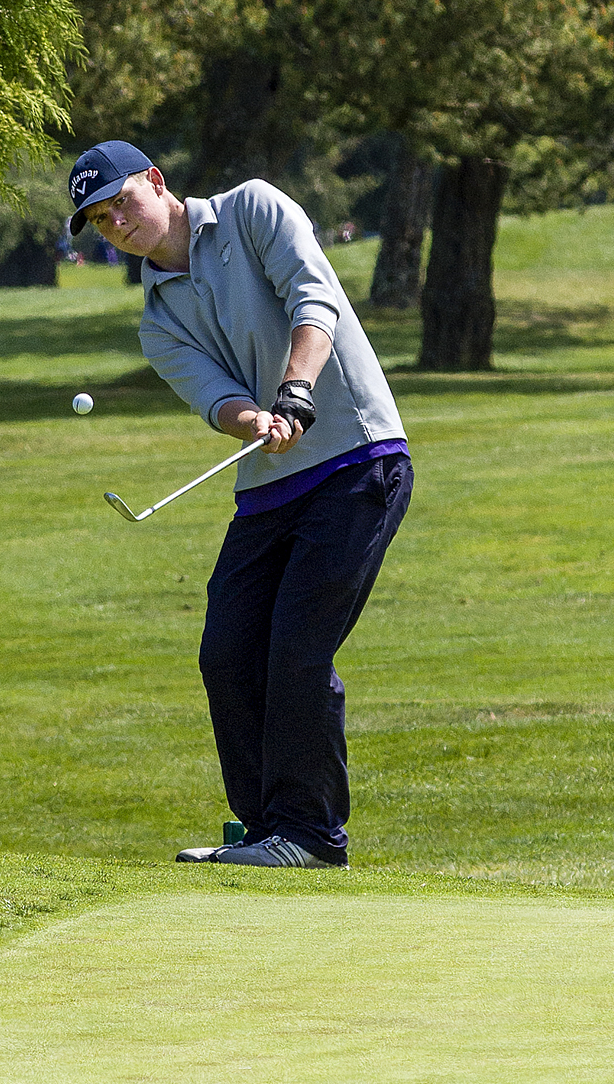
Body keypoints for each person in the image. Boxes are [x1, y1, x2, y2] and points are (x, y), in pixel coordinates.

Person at [67, 140, 412, 868]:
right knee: (226, 651)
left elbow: (313, 299)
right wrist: (250, 419)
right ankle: (265, 829)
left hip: (358, 460)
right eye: (100, 221)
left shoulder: (253, 208)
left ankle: (312, 835)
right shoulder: (157, 319)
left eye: (122, 202)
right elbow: (214, 396)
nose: (117, 224)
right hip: (267, 483)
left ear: (155, 182)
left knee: (296, 646)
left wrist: (294, 390)